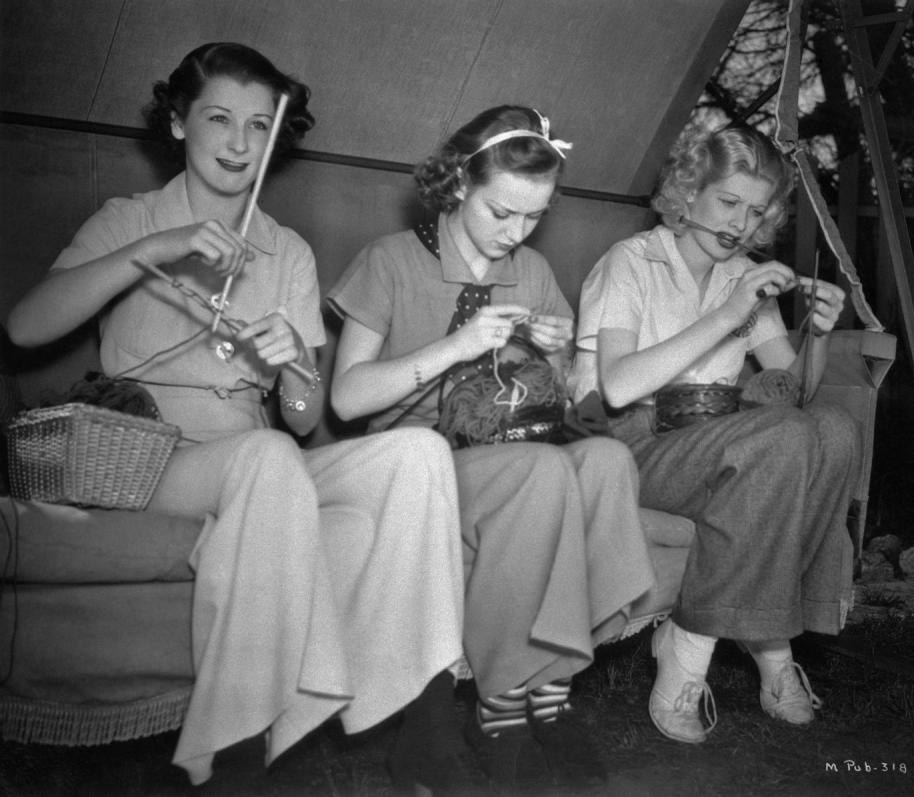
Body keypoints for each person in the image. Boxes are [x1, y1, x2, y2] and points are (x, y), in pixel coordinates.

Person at [5, 43, 466, 789]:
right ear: (178, 122)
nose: (240, 143)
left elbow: (301, 416)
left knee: (416, 453)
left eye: (259, 125)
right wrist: (160, 246)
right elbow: (26, 326)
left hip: (258, 457)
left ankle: (423, 711)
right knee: (266, 462)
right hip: (152, 458)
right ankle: (236, 753)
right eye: (219, 118)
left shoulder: (285, 249)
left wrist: (292, 366)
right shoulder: (130, 218)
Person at [327, 105, 656, 791]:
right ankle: (503, 701)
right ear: (455, 186)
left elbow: (555, 404)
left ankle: (551, 686)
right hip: (413, 465)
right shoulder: (390, 260)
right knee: (539, 470)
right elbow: (347, 399)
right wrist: (459, 343)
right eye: (501, 212)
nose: (516, 232)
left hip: (505, 447)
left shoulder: (531, 269)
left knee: (605, 460)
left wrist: (565, 361)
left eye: (533, 216)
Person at [568, 123, 860, 744]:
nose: (740, 224)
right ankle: (706, 655)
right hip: (625, 443)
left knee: (833, 431)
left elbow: (799, 393)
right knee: (778, 438)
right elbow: (616, 386)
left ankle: (743, 638)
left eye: (756, 213)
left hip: (708, 444)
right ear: (687, 191)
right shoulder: (632, 262)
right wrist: (731, 316)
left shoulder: (741, 275)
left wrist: (821, 334)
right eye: (727, 202)